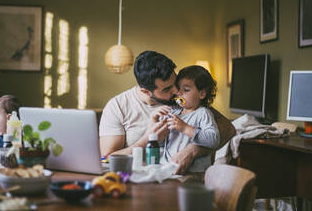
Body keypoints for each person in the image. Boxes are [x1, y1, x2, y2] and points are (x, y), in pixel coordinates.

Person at [99, 51, 233, 174]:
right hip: (137, 179)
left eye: (175, 82)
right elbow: (107, 159)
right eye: (167, 89)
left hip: (179, 177)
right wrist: (148, 138)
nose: (176, 91)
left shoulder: (183, 101)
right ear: (146, 91)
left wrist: (191, 151)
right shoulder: (117, 106)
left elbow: (228, 129)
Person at [159, 65, 220, 173]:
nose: (179, 93)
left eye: (186, 90)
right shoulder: (174, 112)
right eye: (179, 89)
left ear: (201, 94)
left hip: (194, 174)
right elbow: (162, 142)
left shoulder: (203, 113)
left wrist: (186, 128)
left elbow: (214, 139)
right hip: (168, 170)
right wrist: (159, 124)